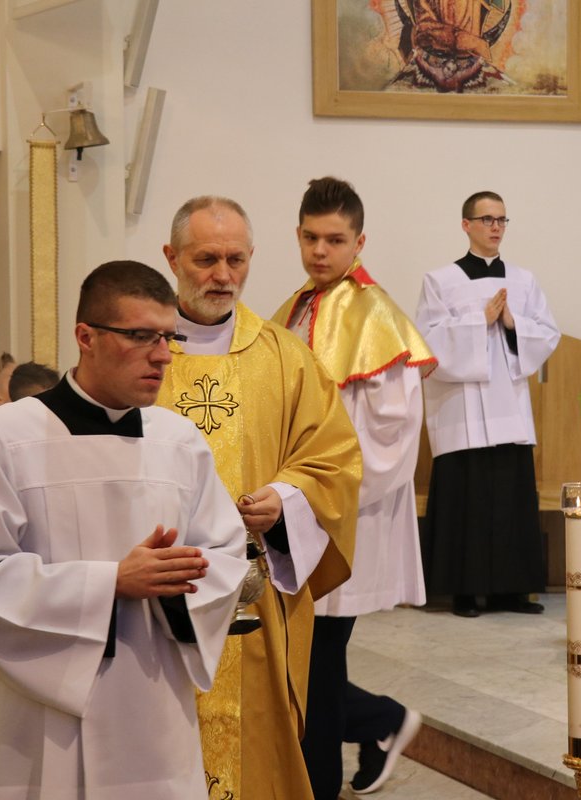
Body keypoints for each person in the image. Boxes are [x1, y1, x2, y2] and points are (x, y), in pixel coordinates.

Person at [0, 260, 249, 798]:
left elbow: (224, 553)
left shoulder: (179, 441)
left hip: (149, 697)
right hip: (39, 711)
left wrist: (179, 580)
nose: (162, 355)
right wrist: (111, 582)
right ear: (86, 337)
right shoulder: (1, 437)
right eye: (140, 336)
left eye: (169, 337)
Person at [157, 196, 362, 800]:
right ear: (172, 258)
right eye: (206, 260)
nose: (223, 276)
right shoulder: (142, 352)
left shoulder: (284, 357)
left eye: (236, 260)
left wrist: (286, 498)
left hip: (254, 595)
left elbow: (334, 459)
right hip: (161, 592)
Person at [272, 177, 434, 797]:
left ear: (359, 242)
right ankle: (380, 723)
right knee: (305, 654)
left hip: (341, 516)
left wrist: (317, 492)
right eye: (311, 238)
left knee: (317, 657)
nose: (321, 251)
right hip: (294, 508)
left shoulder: (376, 316)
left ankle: (323, 779)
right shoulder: (296, 307)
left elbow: (393, 437)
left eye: (335, 240)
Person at [415, 191, 560, 618]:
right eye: (487, 219)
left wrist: (514, 323)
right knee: (468, 500)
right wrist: (479, 321)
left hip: (508, 405)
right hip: (462, 410)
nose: (496, 227)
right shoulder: (440, 280)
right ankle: (463, 591)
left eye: (501, 220)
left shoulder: (524, 280)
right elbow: (428, 342)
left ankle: (509, 592)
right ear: (466, 225)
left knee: (509, 499)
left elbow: (547, 333)